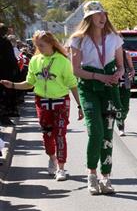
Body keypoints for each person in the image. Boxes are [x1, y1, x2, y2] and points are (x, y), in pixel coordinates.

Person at [0, 30, 82, 181]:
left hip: (61, 102)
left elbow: (73, 85)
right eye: (37, 45)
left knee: (60, 134)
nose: (39, 48)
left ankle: (61, 167)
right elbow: (30, 83)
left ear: (51, 44)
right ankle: (52, 158)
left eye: (42, 45)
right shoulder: (35, 60)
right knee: (47, 134)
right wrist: (12, 85)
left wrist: (80, 106)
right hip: (42, 102)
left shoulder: (62, 61)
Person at [68, 1, 125, 195]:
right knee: (96, 132)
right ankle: (91, 174)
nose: (102, 17)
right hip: (89, 89)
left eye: (103, 14)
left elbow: (121, 65)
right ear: (88, 18)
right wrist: (99, 76)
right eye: (97, 14)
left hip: (109, 88)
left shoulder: (114, 38)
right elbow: (76, 70)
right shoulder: (78, 39)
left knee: (108, 135)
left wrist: (118, 73)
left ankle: (106, 177)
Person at [0, 24, 19, 126]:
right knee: (5, 96)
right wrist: (15, 70)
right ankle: (4, 117)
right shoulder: (6, 42)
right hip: (5, 73)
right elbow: (11, 58)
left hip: (4, 72)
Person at [116, 49, 134, 136]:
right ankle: (121, 127)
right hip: (113, 85)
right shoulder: (108, 53)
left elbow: (131, 68)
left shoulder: (126, 54)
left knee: (125, 107)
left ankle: (121, 118)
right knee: (118, 107)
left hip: (125, 84)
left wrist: (132, 72)